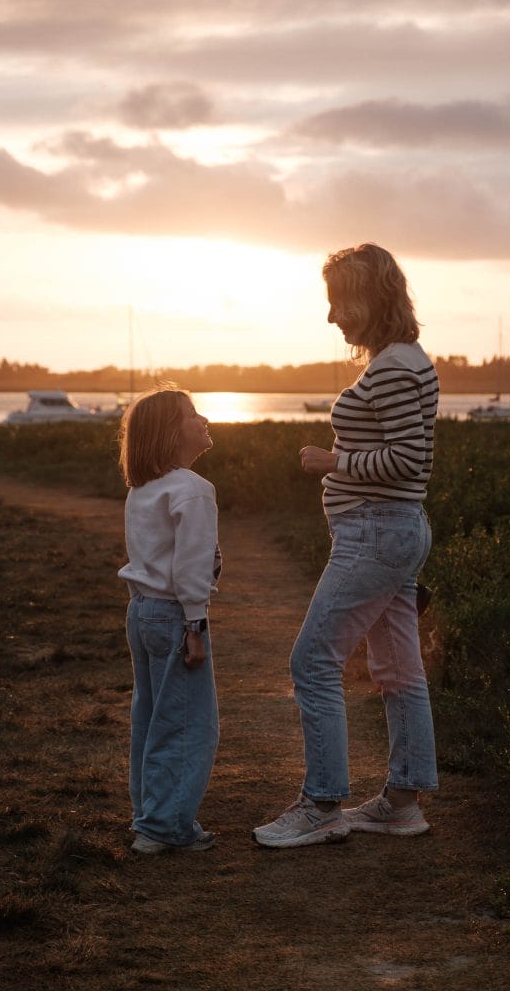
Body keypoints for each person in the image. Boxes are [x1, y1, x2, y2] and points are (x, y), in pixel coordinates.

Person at [253, 243, 439, 849]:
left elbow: (411, 459)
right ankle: (402, 803)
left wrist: (335, 461)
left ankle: (323, 804)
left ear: (369, 297)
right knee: (398, 669)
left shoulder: (390, 367)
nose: (332, 316)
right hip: (393, 529)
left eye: (339, 302)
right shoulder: (408, 359)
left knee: (312, 661)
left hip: (377, 531)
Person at [118, 386, 221, 855]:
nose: (203, 419)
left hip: (141, 612)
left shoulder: (143, 489)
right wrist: (195, 627)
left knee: (151, 715)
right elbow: (190, 569)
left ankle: (150, 815)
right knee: (187, 723)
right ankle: (164, 827)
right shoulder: (194, 490)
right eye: (191, 414)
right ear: (170, 432)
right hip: (174, 615)